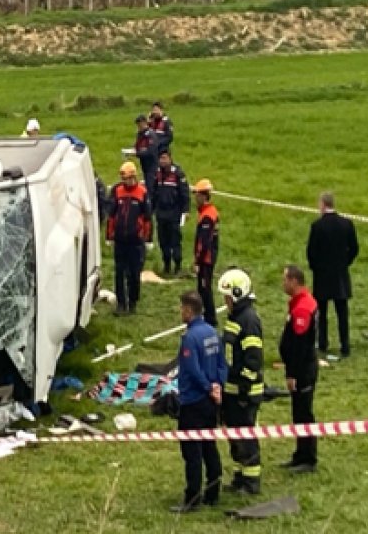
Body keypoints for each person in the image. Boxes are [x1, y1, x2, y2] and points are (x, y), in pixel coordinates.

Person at [171, 290, 227, 513]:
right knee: (209, 447)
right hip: (211, 401)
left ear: (188, 310)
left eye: (181, 308)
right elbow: (223, 363)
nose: (179, 312)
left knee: (191, 452)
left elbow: (192, 369)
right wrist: (217, 386)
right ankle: (213, 492)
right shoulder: (213, 332)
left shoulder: (189, 338)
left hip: (193, 401)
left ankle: (192, 497)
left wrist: (206, 386)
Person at [216, 269, 264, 495]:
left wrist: (244, 388)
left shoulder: (249, 320)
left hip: (245, 391)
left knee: (246, 436)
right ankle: (240, 476)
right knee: (235, 436)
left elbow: (253, 358)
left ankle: (251, 481)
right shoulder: (236, 317)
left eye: (227, 297)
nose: (225, 302)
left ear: (237, 294)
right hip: (232, 390)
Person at [307, 192, 359, 357]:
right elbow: (355, 248)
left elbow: (311, 252)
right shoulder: (347, 224)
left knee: (322, 313)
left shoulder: (317, 226)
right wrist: (345, 263)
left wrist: (316, 267)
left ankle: (323, 343)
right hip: (340, 275)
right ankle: (345, 345)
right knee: (342, 312)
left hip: (322, 276)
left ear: (323, 204)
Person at [280, 265, 319, 474]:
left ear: (294, 281)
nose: (283, 284)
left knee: (304, 413)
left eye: (285, 280)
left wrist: (292, 373)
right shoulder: (301, 302)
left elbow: (300, 345)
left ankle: (308, 458)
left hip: (302, 370)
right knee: (298, 412)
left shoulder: (302, 308)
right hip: (302, 367)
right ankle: (300, 453)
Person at [106, 162, 152, 316]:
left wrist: (147, 239)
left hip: (135, 241)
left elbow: (147, 218)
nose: (124, 182)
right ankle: (121, 303)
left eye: (126, 178)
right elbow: (112, 215)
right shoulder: (117, 191)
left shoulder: (142, 193)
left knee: (134, 274)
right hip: (120, 240)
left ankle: (132, 302)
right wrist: (109, 235)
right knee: (119, 273)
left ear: (133, 177)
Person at [149, 149, 190, 277]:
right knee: (163, 241)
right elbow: (153, 192)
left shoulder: (178, 173)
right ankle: (166, 265)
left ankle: (177, 266)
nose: (163, 161)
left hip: (174, 213)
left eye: (165, 158)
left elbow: (184, 193)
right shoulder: (157, 173)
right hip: (161, 213)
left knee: (175, 241)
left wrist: (186, 210)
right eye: (161, 158)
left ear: (170, 159)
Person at [192, 179, 220, 326]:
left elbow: (203, 242)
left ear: (204, 196)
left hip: (206, 259)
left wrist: (197, 261)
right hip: (209, 257)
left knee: (204, 288)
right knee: (203, 287)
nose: (195, 198)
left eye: (197, 195)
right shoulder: (210, 212)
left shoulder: (207, 216)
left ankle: (210, 318)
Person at [133, 115, 160, 180]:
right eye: (138, 125)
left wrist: (137, 153)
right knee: (147, 180)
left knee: (151, 182)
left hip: (152, 163)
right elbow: (137, 145)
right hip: (144, 163)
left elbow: (151, 151)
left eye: (140, 124)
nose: (139, 127)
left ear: (145, 123)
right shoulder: (139, 134)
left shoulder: (151, 134)